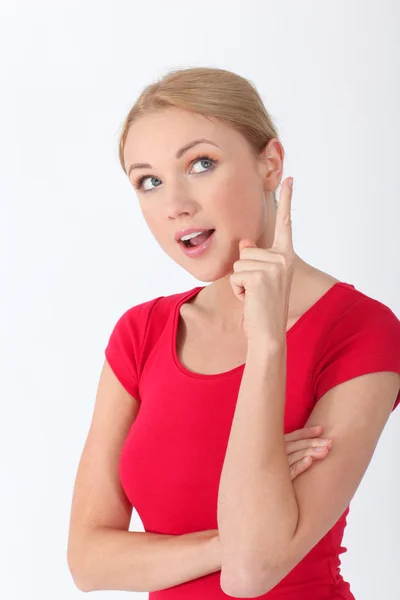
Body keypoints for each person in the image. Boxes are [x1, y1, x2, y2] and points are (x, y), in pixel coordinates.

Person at [67, 67, 400, 598]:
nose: (175, 203)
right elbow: (87, 562)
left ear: (270, 163)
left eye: (201, 164)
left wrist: (268, 341)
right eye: (148, 181)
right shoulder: (141, 333)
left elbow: (252, 575)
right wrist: (229, 542)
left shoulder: (360, 331)